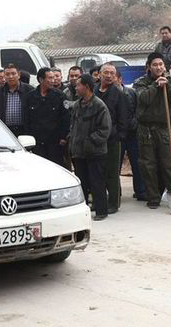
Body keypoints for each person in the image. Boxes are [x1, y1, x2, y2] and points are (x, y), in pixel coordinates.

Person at [133, 52, 171, 210]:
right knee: (149, 165)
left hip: (163, 127)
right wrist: (155, 86)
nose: (159, 67)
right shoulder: (140, 82)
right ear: (148, 67)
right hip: (145, 129)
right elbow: (142, 99)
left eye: (161, 64)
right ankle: (153, 197)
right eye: (155, 65)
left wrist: (167, 86)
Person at [68, 74, 111, 221]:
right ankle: (84, 210)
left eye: (78, 85)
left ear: (86, 87)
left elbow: (105, 130)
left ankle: (101, 211)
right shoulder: (77, 105)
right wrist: (71, 140)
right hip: (79, 153)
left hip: (95, 152)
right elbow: (73, 127)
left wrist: (89, 141)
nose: (76, 87)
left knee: (97, 182)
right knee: (82, 183)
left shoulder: (99, 105)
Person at [94, 63, 129, 214]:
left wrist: (119, 135)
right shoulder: (93, 91)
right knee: (97, 172)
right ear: (99, 74)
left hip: (112, 139)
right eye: (106, 72)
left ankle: (114, 203)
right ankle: (99, 201)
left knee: (112, 172)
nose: (109, 75)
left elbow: (123, 117)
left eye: (112, 73)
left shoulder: (119, 94)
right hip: (95, 139)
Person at [23, 67, 69, 167]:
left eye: (54, 78)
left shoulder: (60, 96)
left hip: (54, 142)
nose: (53, 81)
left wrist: (63, 137)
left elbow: (65, 118)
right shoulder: (30, 97)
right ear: (41, 80)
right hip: (37, 142)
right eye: (50, 78)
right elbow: (26, 119)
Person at [115, 71, 146, 201]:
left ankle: (140, 191)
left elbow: (138, 110)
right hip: (117, 134)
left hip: (132, 133)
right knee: (115, 165)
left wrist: (134, 123)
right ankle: (116, 192)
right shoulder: (109, 94)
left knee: (137, 164)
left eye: (115, 77)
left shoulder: (131, 92)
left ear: (120, 79)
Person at [0, 63, 35, 136]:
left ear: (19, 75)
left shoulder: (29, 90)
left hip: (25, 130)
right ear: (4, 76)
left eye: (13, 73)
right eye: (7, 74)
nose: (10, 76)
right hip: (5, 131)